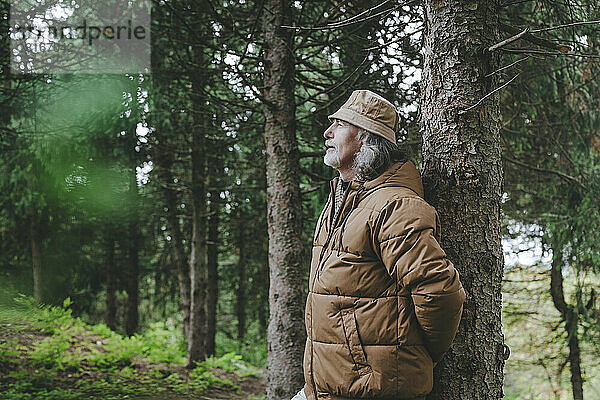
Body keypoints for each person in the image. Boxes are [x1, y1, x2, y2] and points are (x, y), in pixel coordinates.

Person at [293, 90, 466, 400]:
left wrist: (418, 355)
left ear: (366, 139)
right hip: (329, 390)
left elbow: (440, 292)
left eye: (341, 124)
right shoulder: (342, 203)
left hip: (373, 392)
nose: (327, 132)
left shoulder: (394, 206)